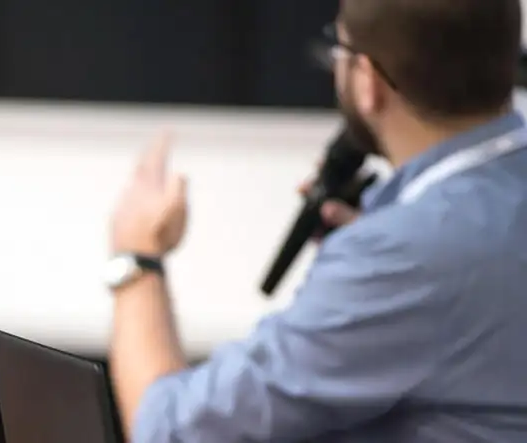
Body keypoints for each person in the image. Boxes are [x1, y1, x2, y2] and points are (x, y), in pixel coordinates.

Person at [104, 0, 527, 441]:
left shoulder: (407, 255)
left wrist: (137, 258)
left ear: (367, 81)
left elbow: (169, 429)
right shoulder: (428, 238)